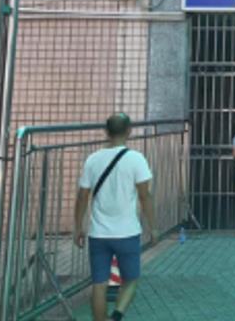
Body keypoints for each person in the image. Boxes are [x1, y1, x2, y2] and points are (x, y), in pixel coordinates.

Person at [73, 113, 156, 321]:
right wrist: (153, 227)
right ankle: (116, 316)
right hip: (127, 232)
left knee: (99, 285)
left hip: (98, 233)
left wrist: (78, 226)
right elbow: (145, 196)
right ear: (129, 131)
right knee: (131, 280)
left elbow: (82, 196)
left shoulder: (93, 159)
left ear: (106, 132)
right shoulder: (136, 159)